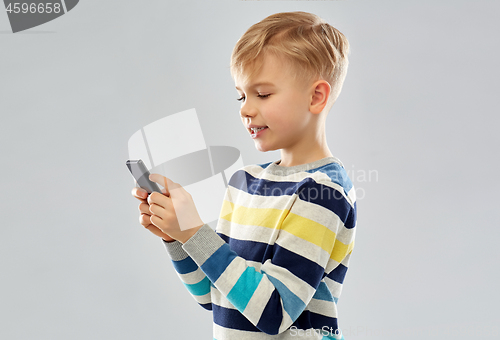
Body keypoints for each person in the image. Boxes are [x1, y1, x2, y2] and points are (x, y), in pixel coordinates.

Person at [132, 11, 357, 340]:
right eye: (242, 95)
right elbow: (214, 296)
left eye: (262, 94)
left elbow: (273, 311)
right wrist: (177, 237)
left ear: (316, 96)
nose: (245, 109)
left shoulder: (323, 192)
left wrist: (195, 233)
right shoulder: (244, 184)